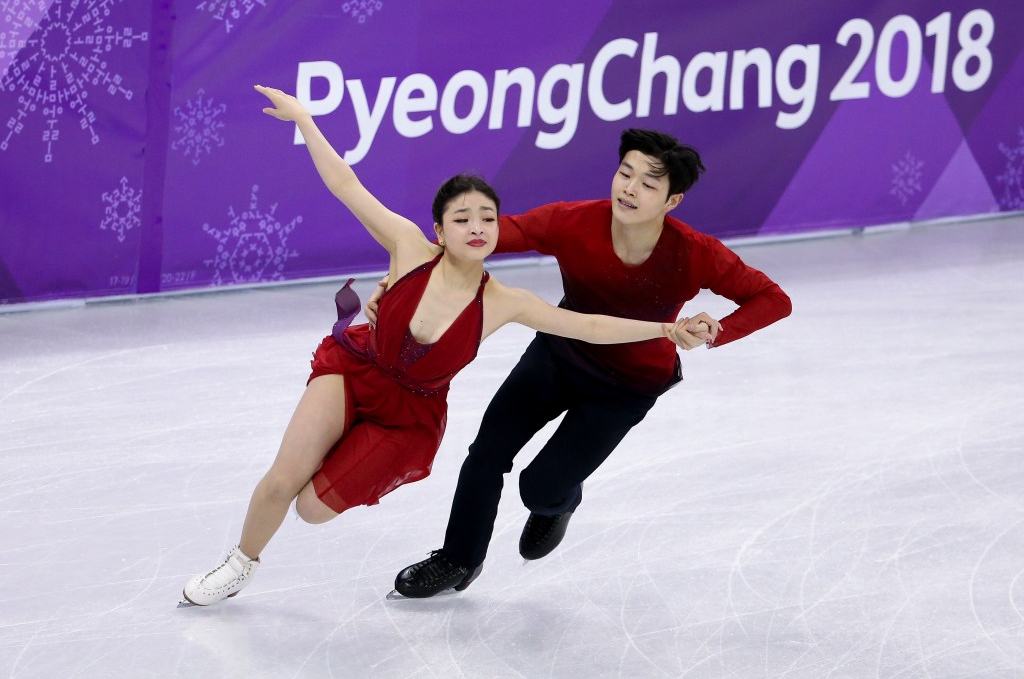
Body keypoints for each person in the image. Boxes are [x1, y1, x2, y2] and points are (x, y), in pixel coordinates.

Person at [181, 87, 708, 606]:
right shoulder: (408, 246)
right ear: (439, 229)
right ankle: (238, 565)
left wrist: (663, 330)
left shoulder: (505, 300)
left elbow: (589, 327)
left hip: (407, 415)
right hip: (356, 368)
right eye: (462, 219)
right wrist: (303, 119)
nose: (477, 228)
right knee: (282, 481)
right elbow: (345, 182)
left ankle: (358, 456)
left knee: (311, 509)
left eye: (487, 219)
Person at [384, 128, 793, 599]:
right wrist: (417, 269)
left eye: (648, 184)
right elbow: (495, 235)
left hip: (625, 388)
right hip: (558, 355)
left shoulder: (694, 253)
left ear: (672, 200)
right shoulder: (573, 221)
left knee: (539, 489)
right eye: (625, 174)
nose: (629, 189)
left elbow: (772, 299)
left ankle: (560, 500)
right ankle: (458, 559)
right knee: (486, 454)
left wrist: (717, 328)